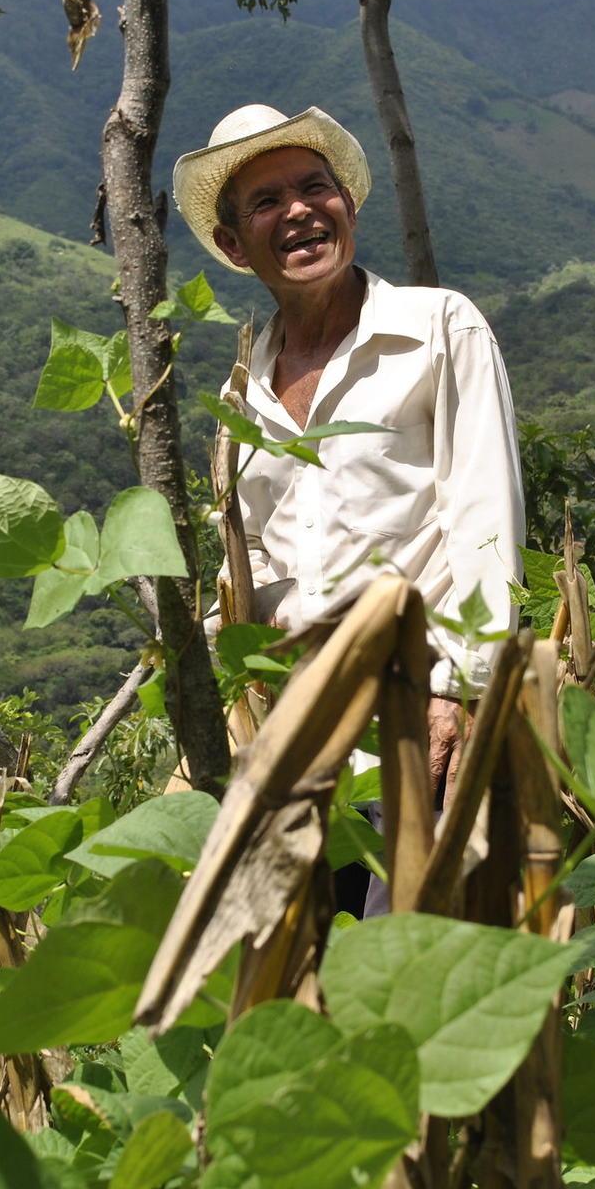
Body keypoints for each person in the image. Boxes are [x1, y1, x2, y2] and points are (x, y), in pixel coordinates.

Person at [173, 103, 526, 822]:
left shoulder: (437, 330)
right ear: (234, 245)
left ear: (349, 204)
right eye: (267, 202)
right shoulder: (240, 396)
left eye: (314, 187)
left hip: (424, 724)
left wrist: (460, 694)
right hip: (301, 747)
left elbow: (486, 523)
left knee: (405, 935)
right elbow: (258, 565)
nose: (300, 211)